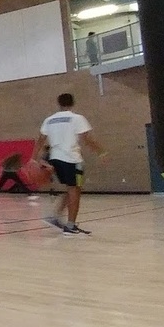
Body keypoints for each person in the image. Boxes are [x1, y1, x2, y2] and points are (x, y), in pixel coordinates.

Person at [36, 92, 107, 234]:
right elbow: (87, 139)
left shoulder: (49, 120)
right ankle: (70, 225)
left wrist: (33, 159)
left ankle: (55, 216)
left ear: (59, 103)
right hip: (72, 159)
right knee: (75, 190)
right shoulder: (77, 118)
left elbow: (40, 140)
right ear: (73, 103)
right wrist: (101, 152)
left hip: (55, 158)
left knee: (71, 189)